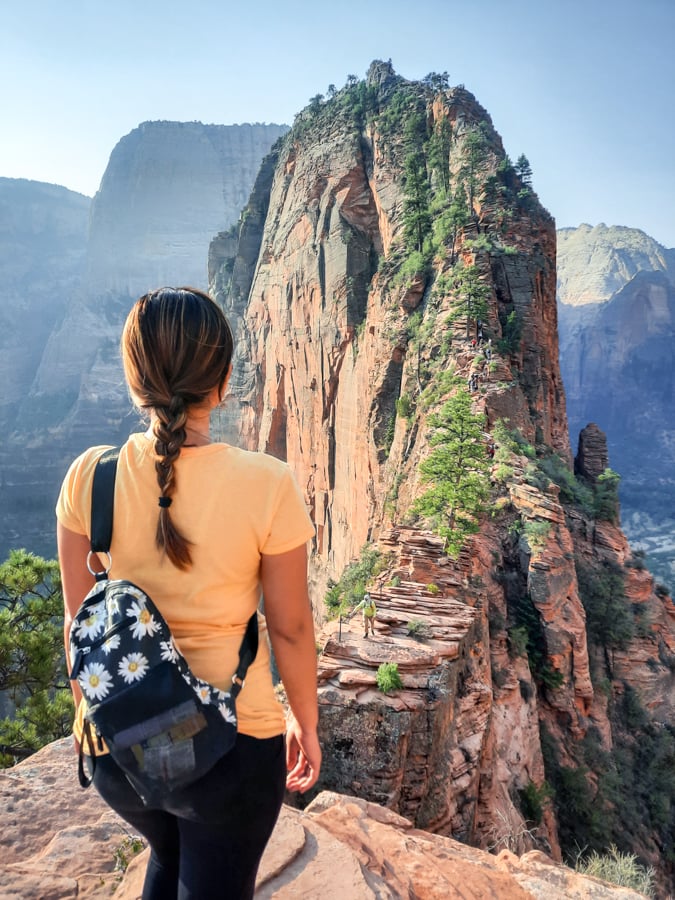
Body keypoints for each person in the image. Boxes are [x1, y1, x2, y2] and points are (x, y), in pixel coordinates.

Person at [56, 287, 321, 900]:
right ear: (224, 381)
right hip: (231, 750)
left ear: (133, 377)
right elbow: (290, 629)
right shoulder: (267, 483)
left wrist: (88, 715)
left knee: (168, 858)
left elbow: (80, 625)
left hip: (120, 749)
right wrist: (303, 723)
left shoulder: (88, 477)